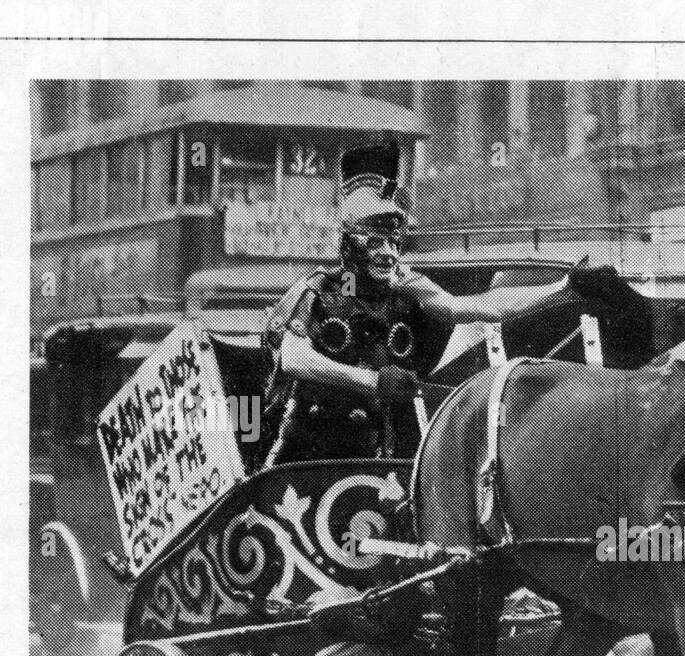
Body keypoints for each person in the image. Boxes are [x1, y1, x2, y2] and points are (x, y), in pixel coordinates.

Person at [259, 140, 610, 467]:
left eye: (395, 242)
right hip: (303, 455)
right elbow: (293, 358)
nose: (389, 254)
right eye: (377, 242)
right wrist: (372, 381)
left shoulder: (406, 286)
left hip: (374, 454)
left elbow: (476, 307)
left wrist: (564, 288)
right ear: (350, 243)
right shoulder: (320, 289)